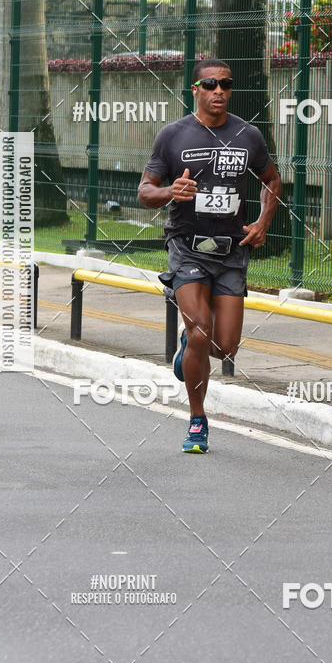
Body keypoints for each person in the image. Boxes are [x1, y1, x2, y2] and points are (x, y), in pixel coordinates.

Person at [137, 58, 282, 453]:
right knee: (202, 327)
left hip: (232, 249)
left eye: (226, 85)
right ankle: (197, 420)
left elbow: (272, 180)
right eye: (211, 85)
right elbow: (145, 191)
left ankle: (189, 347)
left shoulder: (247, 135)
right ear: (196, 90)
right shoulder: (173, 135)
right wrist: (171, 192)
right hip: (187, 245)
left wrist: (263, 222)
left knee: (223, 348)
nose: (219, 91)